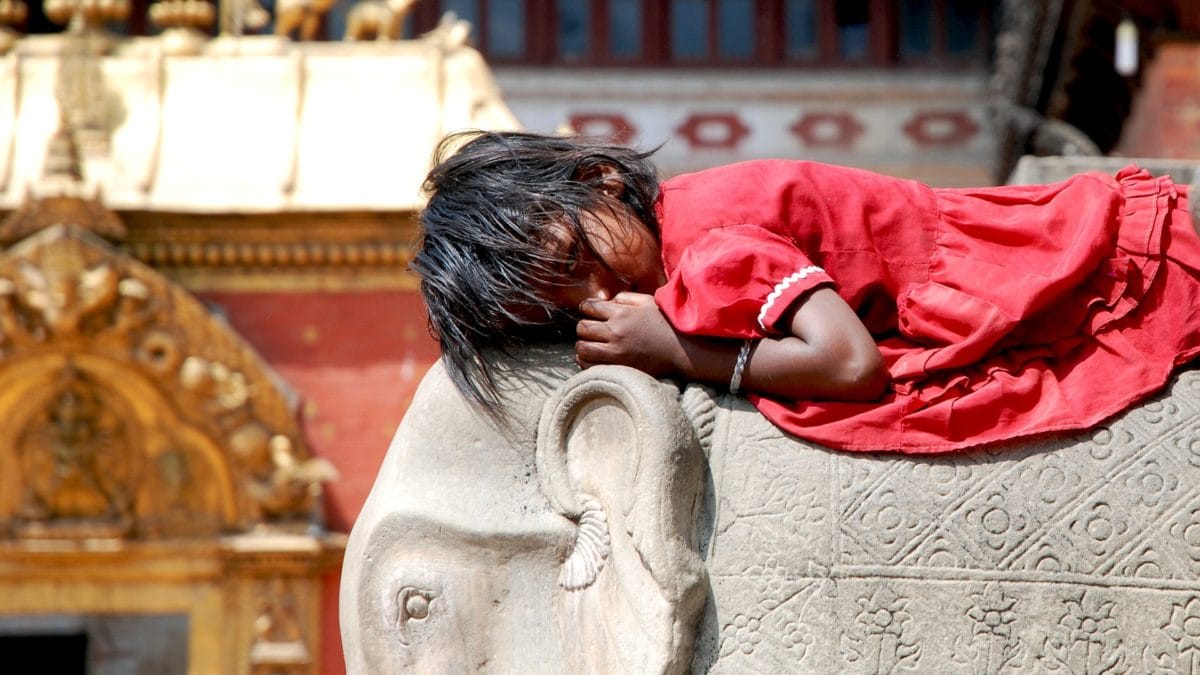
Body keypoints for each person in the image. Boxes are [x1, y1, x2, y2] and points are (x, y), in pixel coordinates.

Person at [412, 130, 1200, 453]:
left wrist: (677, 349)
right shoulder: (685, 231)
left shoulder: (711, 247)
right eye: (557, 308)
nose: (592, 296)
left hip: (1066, 271)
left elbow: (849, 362)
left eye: (577, 256)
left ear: (602, 180)